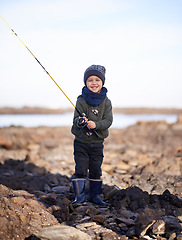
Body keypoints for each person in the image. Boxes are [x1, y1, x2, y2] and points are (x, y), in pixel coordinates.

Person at [71, 64, 113, 206]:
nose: (94, 83)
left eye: (97, 80)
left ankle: (95, 196)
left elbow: (108, 120)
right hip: (81, 143)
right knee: (81, 169)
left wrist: (96, 125)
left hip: (97, 143)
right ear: (85, 83)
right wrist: (81, 121)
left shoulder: (106, 102)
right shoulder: (81, 100)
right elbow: (75, 120)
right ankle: (80, 197)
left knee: (96, 169)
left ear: (102, 82)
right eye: (90, 80)